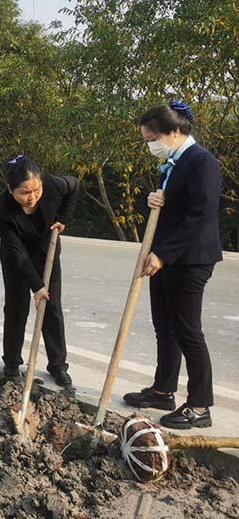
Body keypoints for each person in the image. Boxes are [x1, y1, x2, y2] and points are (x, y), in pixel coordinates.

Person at [123, 100, 222, 429]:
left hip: (190, 260)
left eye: (152, 138)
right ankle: (163, 390)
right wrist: (154, 201)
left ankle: (200, 405)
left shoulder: (201, 162)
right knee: (165, 326)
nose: (150, 145)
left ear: (175, 132)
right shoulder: (174, 162)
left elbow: (199, 215)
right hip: (166, 257)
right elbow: (175, 205)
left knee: (188, 331)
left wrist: (163, 254)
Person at [0, 156, 78, 388]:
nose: (32, 197)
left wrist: (62, 218)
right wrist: (37, 287)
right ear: (10, 190)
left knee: (52, 309)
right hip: (16, 258)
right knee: (16, 307)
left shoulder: (52, 184)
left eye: (36, 190)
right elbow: (17, 253)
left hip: (47, 251)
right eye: (24, 192)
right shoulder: (1, 209)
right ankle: (12, 361)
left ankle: (58, 366)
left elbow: (74, 186)